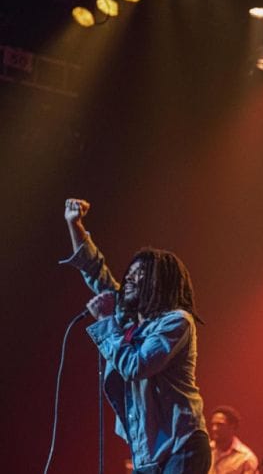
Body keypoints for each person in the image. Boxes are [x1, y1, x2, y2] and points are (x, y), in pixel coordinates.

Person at [62, 198, 210, 474]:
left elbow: (136, 365)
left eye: (138, 274)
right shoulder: (129, 321)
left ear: (158, 281)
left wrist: (107, 322)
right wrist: (75, 225)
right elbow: (96, 271)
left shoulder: (176, 322)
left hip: (181, 446)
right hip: (148, 452)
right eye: (128, 272)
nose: (128, 278)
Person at [208, 406, 258, 474]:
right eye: (213, 424)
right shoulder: (203, 451)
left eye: (220, 425)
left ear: (232, 426)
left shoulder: (246, 458)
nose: (214, 428)